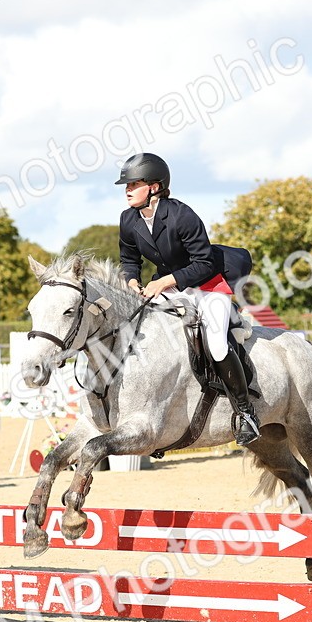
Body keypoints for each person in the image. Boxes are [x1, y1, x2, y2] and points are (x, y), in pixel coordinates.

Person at [115, 152, 260, 446]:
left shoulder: (181, 215)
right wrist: (131, 282)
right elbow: (129, 260)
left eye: (134, 184)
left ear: (154, 187)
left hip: (207, 284)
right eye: (126, 185)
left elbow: (204, 263)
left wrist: (165, 282)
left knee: (217, 343)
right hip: (168, 285)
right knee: (135, 327)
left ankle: (246, 413)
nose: (127, 190)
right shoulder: (128, 219)